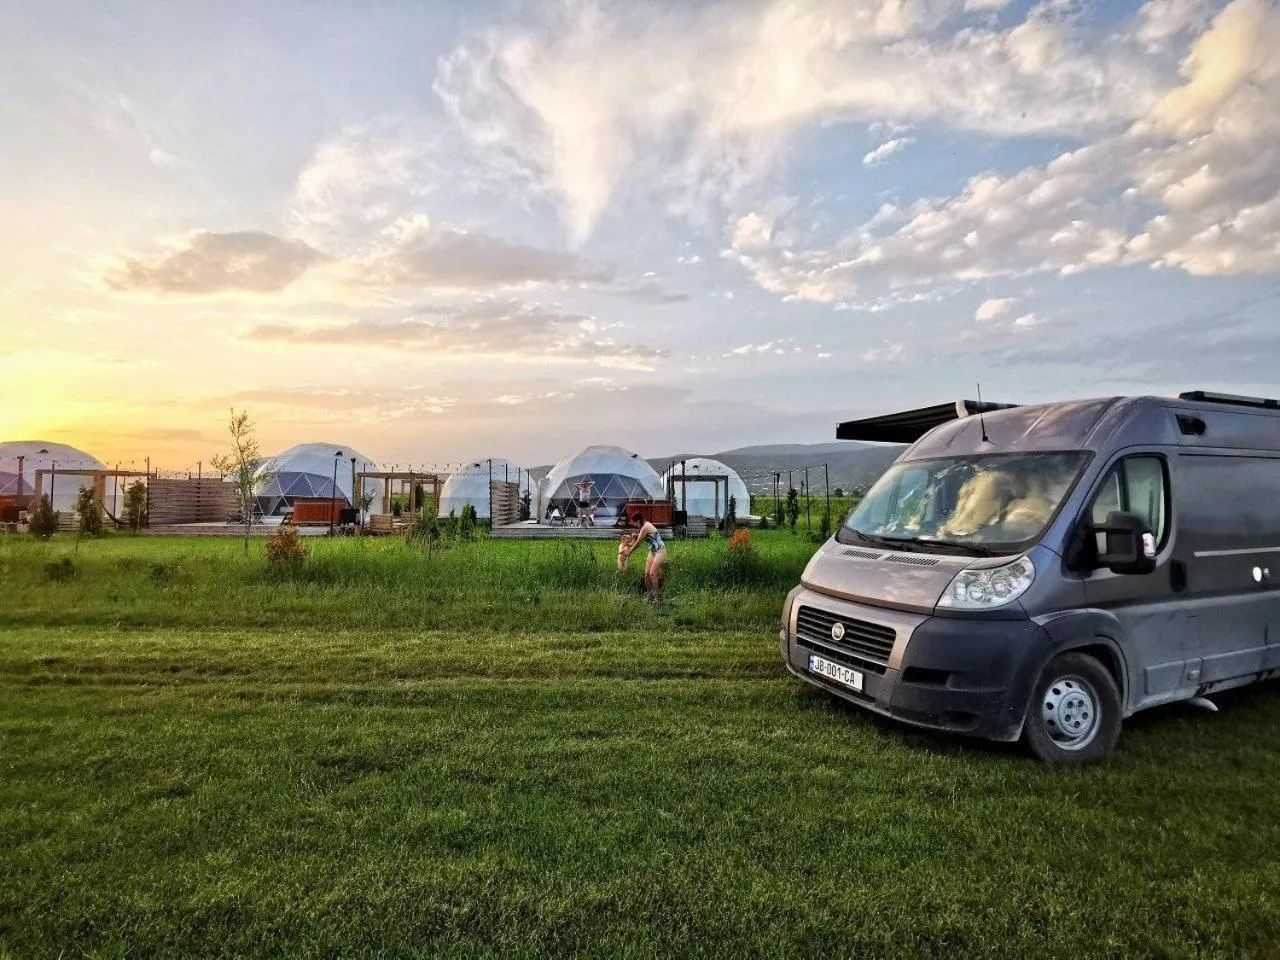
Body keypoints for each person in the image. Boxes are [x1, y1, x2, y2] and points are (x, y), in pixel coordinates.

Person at [619, 512, 666, 599]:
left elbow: (638, 543)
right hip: (652, 551)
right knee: (646, 573)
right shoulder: (644, 527)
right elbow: (644, 536)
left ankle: (656, 598)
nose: (634, 525)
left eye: (634, 522)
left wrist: (629, 553)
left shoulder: (645, 527)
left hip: (660, 550)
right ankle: (648, 595)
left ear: (638, 520)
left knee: (652, 573)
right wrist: (636, 535)